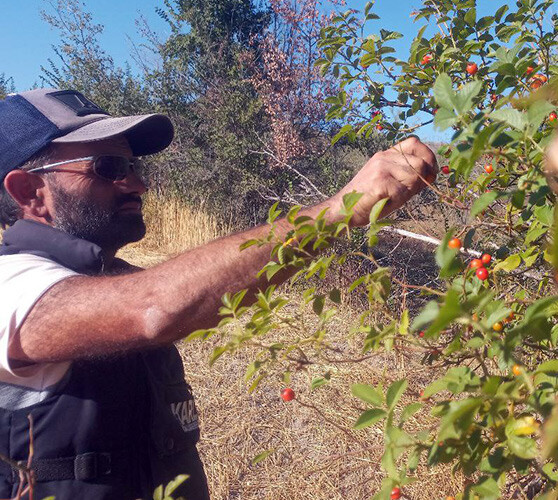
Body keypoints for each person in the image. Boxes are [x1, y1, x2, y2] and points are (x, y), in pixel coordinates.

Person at [0, 88, 437, 499]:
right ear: (28, 191)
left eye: (134, 167)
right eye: (109, 168)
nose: (138, 184)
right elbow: (153, 307)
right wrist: (340, 209)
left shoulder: (106, 276)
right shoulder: (10, 284)